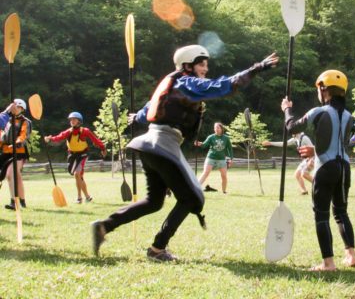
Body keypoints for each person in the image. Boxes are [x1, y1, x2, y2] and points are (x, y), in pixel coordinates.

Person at [91, 45, 278, 261]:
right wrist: (257, 68)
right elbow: (224, 85)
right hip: (163, 145)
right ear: (187, 65)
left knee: (154, 201)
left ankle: (104, 226)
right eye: (201, 64)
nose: (205, 69)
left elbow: (145, 113)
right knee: (191, 198)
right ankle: (157, 249)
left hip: (149, 145)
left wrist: (136, 118)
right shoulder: (187, 82)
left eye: (206, 64)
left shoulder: (171, 84)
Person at [281, 69, 355, 271]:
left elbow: (292, 128)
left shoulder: (319, 111)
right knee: (341, 213)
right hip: (344, 167)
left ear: (324, 89)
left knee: (321, 215)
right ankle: (351, 255)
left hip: (326, 168)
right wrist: (316, 148)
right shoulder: (350, 116)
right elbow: (341, 143)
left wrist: (287, 109)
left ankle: (328, 263)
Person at [44, 112, 107, 203]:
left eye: (74, 119)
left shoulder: (85, 131)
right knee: (79, 176)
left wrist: (103, 148)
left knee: (77, 174)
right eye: (71, 119)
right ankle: (87, 196)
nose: (72, 121)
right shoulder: (68, 132)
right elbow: (59, 137)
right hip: (72, 155)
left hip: (82, 155)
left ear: (79, 121)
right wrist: (50, 139)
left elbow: (95, 140)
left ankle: (79, 197)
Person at [1, 99, 32, 210]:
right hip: (6, 152)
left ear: (22, 109)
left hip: (19, 152)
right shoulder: (7, 120)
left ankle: (14, 201)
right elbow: (2, 134)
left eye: (18, 107)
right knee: (16, 176)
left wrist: (16, 144)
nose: (15, 109)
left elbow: (23, 135)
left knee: (11, 174)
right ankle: (22, 201)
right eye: (14, 107)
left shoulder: (25, 121)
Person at [195, 122, 233, 194]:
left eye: (218, 127)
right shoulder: (211, 137)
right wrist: (200, 144)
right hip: (211, 158)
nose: (216, 129)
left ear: (221, 129)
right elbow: (204, 145)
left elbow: (230, 149)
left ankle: (224, 191)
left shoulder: (226, 138)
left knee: (224, 176)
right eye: (215, 128)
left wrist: (230, 158)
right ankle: (195, 189)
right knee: (205, 173)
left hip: (221, 159)